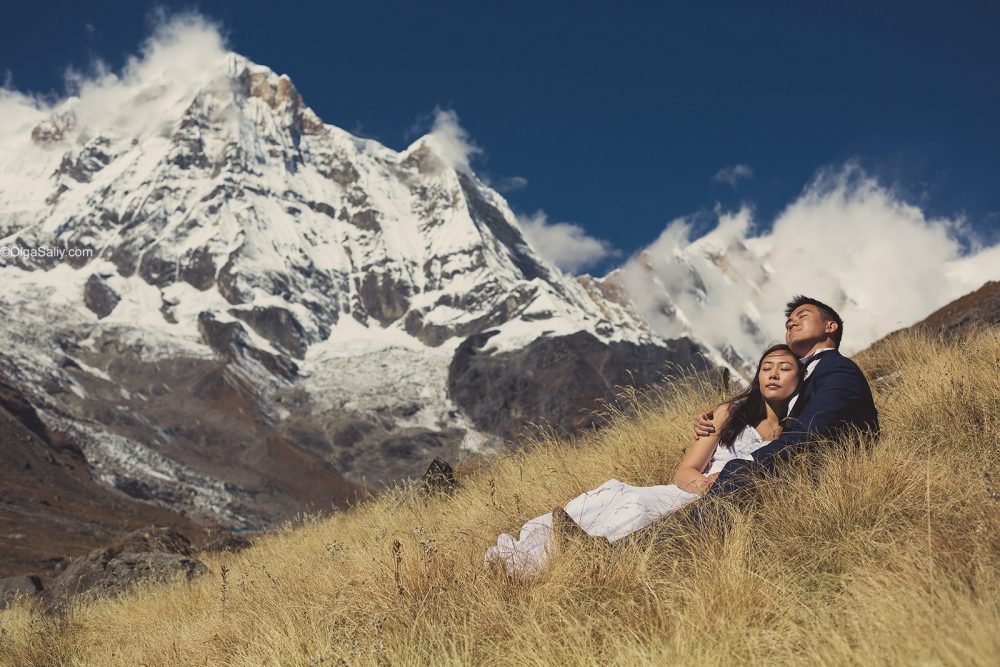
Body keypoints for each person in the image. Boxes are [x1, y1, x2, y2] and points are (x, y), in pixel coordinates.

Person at [484, 344, 803, 577]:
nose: (773, 374)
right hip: (690, 493)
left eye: (784, 368)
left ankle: (569, 562)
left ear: (800, 379)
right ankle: (529, 565)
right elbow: (684, 472)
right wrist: (706, 484)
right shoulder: (729, 414)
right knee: (632, 506)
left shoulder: (794, 433)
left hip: (728, 508)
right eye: (767, 367)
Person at [692, 295, 879, 499]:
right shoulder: (798, 378)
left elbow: (810, 432)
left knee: (734, 473)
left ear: (830, 326)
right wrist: (718, 418)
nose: (792, 322)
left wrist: (749, 464)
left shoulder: (838, 370)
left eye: (802, 316)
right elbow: (762, 410)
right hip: (793, 472)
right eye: (788, 323)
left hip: (834, 483)